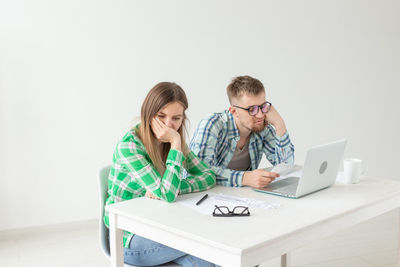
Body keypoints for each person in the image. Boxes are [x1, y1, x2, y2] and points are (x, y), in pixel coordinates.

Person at [104, 82, 217, 267]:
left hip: (162, 224)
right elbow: (167, 194)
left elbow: (208, 175)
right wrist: (175, 141)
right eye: (161, 116)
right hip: (127, 238)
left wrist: (176, 187)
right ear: (148, 114)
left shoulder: (172, 142)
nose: (168, 125)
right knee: (215, 245)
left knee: (213, 263)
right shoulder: (130, 146)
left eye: (176, 118)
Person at [190, 75, 294, 189]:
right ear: (234, 111)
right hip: (205, 196)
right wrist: (245, 178)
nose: (260, 115)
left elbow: (286, 167)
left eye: (263, 106)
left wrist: (280, 125)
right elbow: (199, 171)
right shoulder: (212, 124)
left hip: (240, 196)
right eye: (252, 109)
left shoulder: (262, 127)